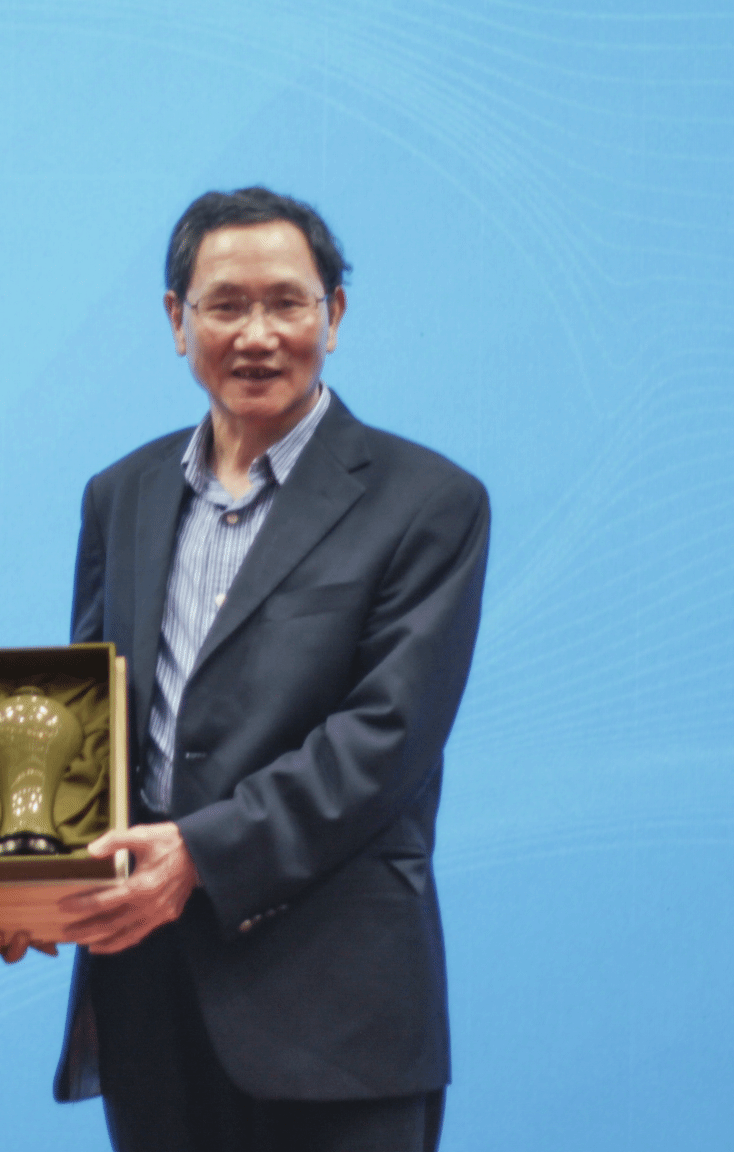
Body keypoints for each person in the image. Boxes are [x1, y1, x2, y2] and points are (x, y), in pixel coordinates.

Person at [52, 187, 488, 1151]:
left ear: (334, 314)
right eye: (225, 305)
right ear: (178, 320)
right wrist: (19, 863)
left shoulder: (428, 503)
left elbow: (382, 742)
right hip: (150, 997)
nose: (257, 334)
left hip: (336, 1011)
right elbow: (95, 722)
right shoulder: (121, 495)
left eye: (287, 302)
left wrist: (200, 856)